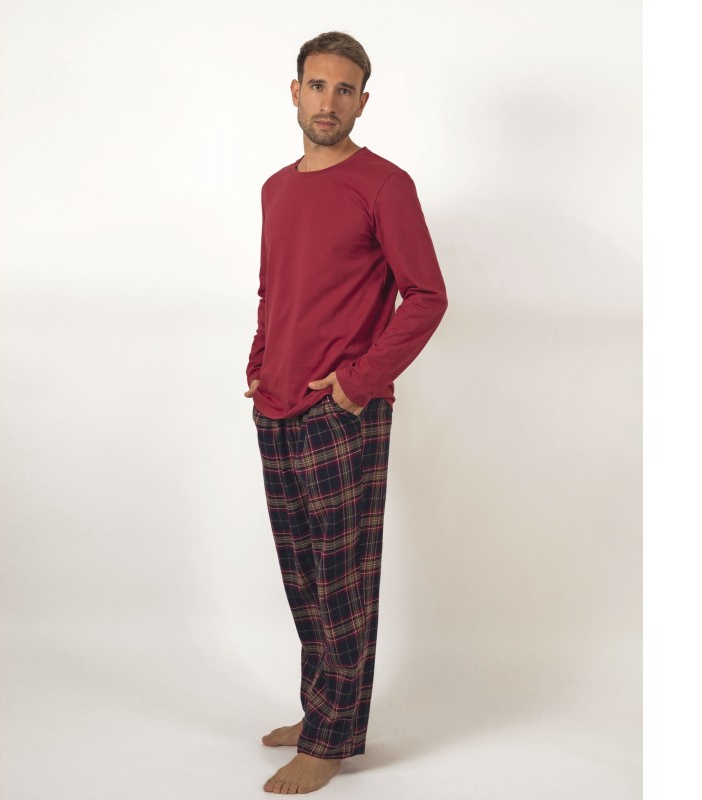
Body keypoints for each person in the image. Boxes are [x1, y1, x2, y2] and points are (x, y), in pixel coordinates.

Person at [244, 31, 448, 794]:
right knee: (303, 578)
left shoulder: (384, 185)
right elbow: (273, 287)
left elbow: (426, 295)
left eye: (344, 89)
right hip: (275, 405)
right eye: (317, 85)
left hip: (342, 413)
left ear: (363, 101)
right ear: (294, 91)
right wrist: (260, 361)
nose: (328, 101)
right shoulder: (276, 188)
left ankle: (330, 741)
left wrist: (359, 382)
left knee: (342, 581)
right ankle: (322, 711)